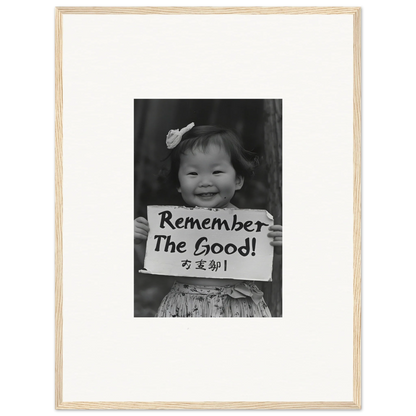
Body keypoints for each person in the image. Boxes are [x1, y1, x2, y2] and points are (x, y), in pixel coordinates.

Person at [134, 123, 282, 317]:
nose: (204, 181)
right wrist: (140, 238)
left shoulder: (252, 228)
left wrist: (278, 249)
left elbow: (265, 269)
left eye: (217, 172)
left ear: (238, 179)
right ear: (179, 183)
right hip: (184, 306)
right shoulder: (170, 226)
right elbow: (158, 262)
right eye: (193, 173)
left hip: (237, 308)